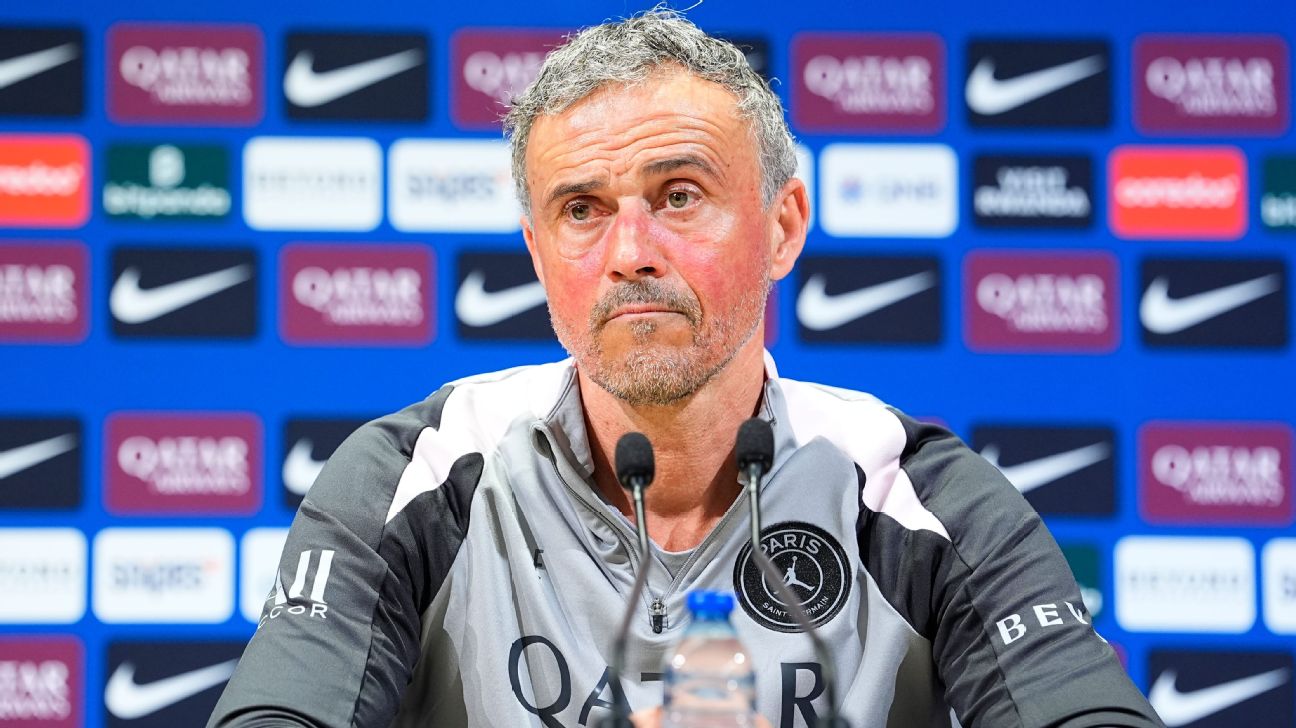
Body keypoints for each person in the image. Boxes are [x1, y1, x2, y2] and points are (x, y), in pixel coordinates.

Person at [209, 10, 1164, 728]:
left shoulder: (909, 492)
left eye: (678, 196)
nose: (630, 253)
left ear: (783, 226)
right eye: (582, 209)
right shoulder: (415, 473)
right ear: (538, 255)